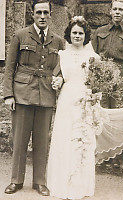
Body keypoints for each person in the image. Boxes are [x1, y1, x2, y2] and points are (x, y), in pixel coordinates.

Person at [3, 0, 64, 195]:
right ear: (33, 14)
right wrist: (8, 95)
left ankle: (40, 181)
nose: (42, 16)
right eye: (39, 12)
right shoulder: (20, 35)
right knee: (20, 140)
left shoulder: (58, 41)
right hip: (22, 94)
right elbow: (10, 67)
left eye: (46, 12)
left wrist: (59, 80)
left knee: (42, 141)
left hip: (46, 95)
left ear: (51, 14)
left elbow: (63, 68)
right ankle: (16, 180)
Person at [47, 16, 100, 200]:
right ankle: (62, 182)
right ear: (69, 34)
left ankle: (80, 184)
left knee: (82, 139)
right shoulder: (63, 55)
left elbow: (96, 83)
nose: (77, 36)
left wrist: (94, 97)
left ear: (86, 36)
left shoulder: (94, 57)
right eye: (74, 33)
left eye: (80, 33)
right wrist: (58, 81)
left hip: (84, 100)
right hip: (67, 99)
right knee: (65, 137)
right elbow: (60, 75)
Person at [91, 0, 123, 167]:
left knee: (117, 115)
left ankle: (115, 156)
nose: (117, 12)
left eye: (120, 10)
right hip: (102, 78)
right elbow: (92, 58)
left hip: (121, 79)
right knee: (100, 114)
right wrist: (92, 83)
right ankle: (101, 154)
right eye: (114, 9)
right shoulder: (99, 32)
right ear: (110, 11)